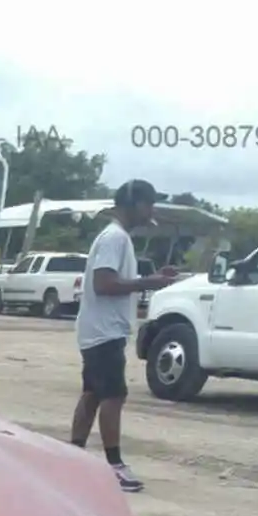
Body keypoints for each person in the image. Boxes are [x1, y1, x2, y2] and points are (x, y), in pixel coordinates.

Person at [70, 180, 180, 491]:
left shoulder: (117, 238)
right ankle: (114, 465)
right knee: (113, 395)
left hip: (101, 330)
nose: (152, 211)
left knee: (92, 394)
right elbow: (103, 284)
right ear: (133, 203)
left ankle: (72, 456)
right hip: (104, 332)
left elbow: (110, 282)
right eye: (149, 204)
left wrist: (151, 279)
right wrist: (150, 282)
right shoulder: (114, 238)